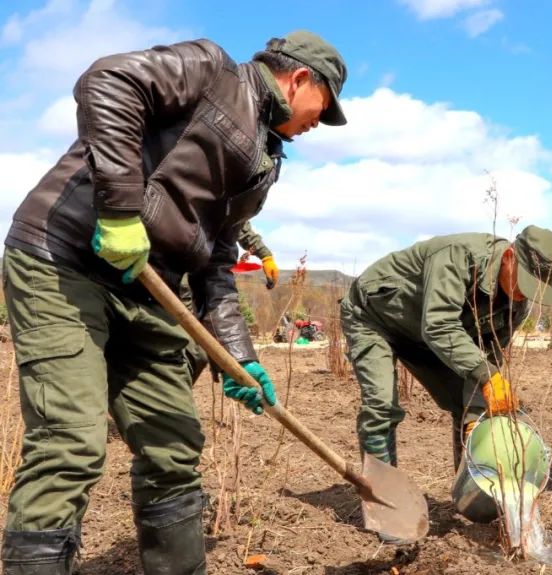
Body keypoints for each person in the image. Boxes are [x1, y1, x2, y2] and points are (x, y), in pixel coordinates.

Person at [1, 30, 348, 574]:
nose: (317, 124)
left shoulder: (264, 160)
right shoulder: (212, 72)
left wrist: (239, 356)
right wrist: (118, 210)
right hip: (64, 261)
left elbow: (215, 261)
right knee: (70, 444)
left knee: (174, 447)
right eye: (323, 108)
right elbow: (107, 81)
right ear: (301, 78)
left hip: (148, 290)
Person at [340, 227, 552, 471]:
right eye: (524, 282)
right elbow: (439, 325)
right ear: (509, 257)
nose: (523, 294)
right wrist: (488, 377)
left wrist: (476, 412)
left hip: (424, 335)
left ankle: (472, 492)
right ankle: (383, 495)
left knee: (468, 404)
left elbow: (486, 356)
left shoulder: (515, 306)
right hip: (373, 317)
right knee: (381, 406)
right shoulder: (458, 257)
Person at [182, 221, 277, 384]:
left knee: (193, 353)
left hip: (183, 297)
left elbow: (214, 274)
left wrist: (238, 360)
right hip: (142, 299)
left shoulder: (226, 207)